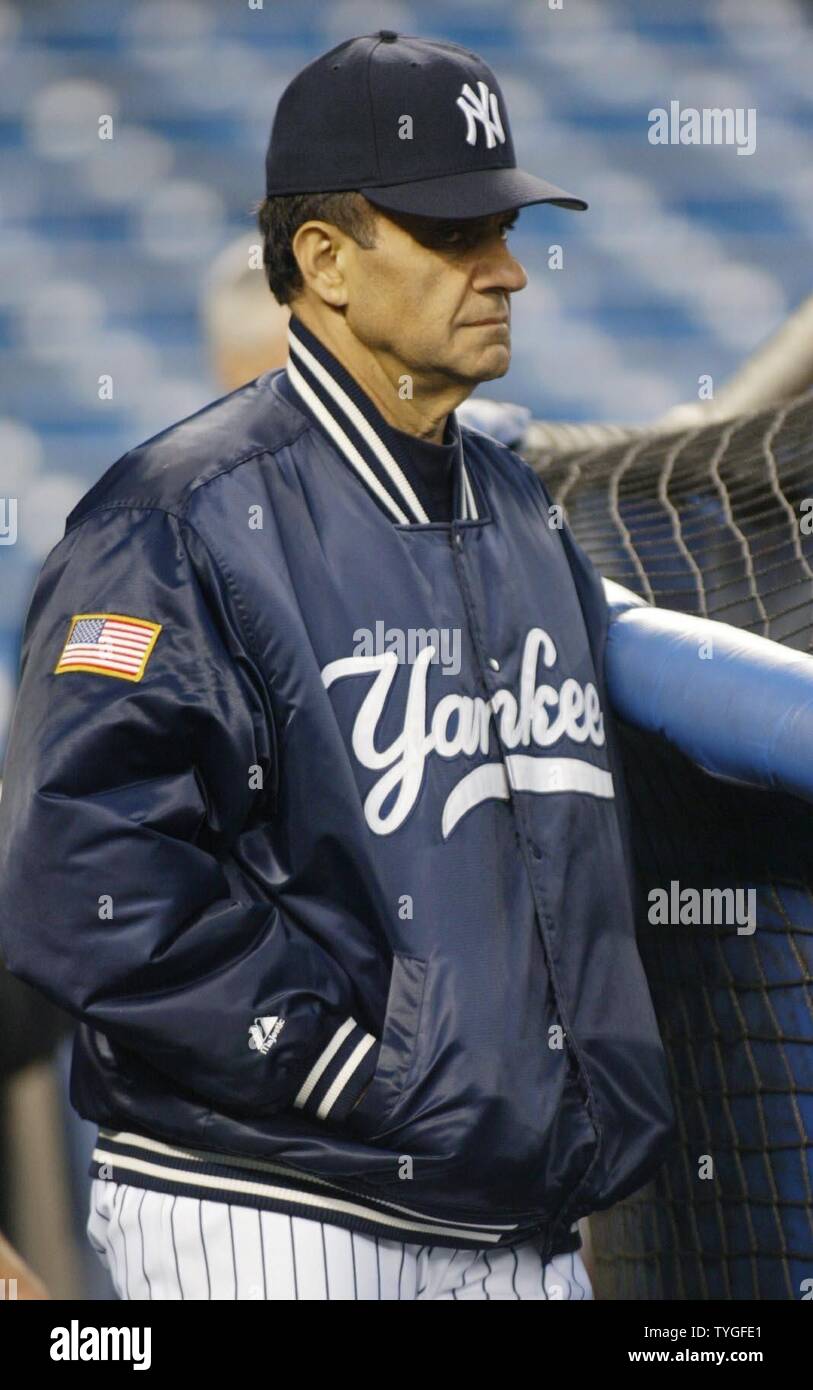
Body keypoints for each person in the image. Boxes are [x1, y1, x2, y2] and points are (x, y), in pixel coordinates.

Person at [0, 31, 674, 1301]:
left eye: (505, 229)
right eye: (454, 235)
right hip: (284, 1208)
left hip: (514, 1220)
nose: (509, 271)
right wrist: (349, 1066)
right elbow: (81, 876)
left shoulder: (524, 516)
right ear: (323, 262)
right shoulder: (173, 518)